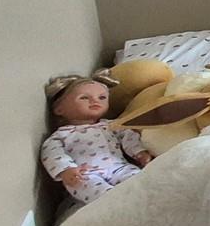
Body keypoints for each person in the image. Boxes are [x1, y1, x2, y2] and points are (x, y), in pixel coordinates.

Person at [41, 74, 150, 204]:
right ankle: (115, 205)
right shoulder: (62, 134)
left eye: (102, 97)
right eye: (84, 98)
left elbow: (127, 135)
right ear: (59, 109)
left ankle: (144, 200)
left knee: (140, 180)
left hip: (119, 168)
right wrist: (65, 170)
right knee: (90, 189)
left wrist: (138, 151)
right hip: (85, 173)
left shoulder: (110, 125)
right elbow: (52, 153)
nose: (95, 101)